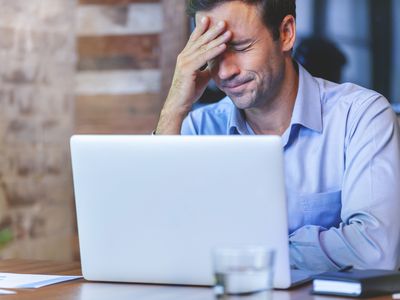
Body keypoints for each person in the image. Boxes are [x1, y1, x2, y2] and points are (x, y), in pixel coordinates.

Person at [155, 0, 400, 271]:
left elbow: (374, 251)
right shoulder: (199, 128)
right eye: (212, 54)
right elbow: (154, 239)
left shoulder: (361, 117)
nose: (224, 72)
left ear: (286, 33)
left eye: (241, 47)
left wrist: (242, 255)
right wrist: (173, 109)